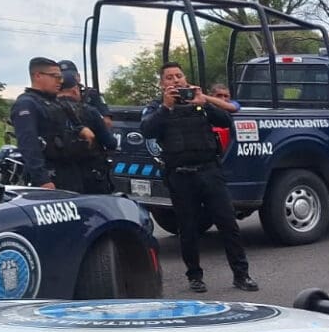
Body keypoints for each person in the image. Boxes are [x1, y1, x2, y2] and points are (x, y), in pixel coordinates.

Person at [140, 61, 257, 293]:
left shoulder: (200, 102)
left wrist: (206, 102)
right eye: (169, 77)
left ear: (185, 78)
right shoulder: (156, 107)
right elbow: (147, 130)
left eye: (179, 76)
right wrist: (166, 107)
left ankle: (241, 275)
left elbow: (226, 120)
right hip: (180, 176)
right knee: (189, 229)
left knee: (228, 224)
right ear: (162, 83)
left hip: (209, 172)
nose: (175, 80)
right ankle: (194, 276)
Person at [9, 57, 76, 188]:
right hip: (48, 174)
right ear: (38, 76)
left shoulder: (54, 102)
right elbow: (28, 144)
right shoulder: (27, 104)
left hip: (67, 170)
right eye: (55, 77)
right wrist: (42, 179)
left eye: (60, 77)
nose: (60, 82)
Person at [57, 66, 118, 194]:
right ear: (75, 90)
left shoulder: (47, 110)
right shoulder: (89, 111)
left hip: (59, 176)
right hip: (90, 174)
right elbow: (110, 143)